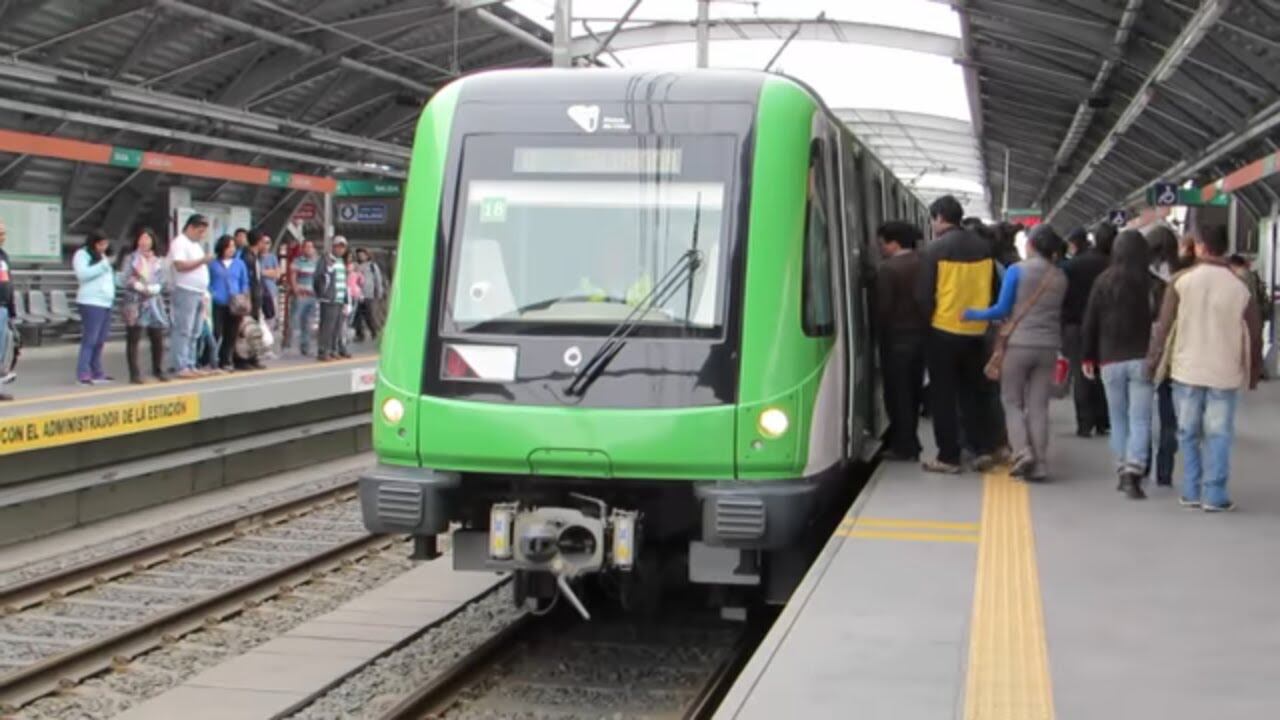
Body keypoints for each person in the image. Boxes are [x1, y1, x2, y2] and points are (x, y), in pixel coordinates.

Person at [1146, 225, 1263, 512]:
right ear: (1223, 249)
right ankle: (1215, 495)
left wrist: (1153, 362)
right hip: (1224, 370)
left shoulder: (1180, 282)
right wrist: (1255, 371)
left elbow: (1164, 328)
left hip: (1187, 369)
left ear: (1198, 247)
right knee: (1219, 434)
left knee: (1186, 432)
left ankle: (1190, 490)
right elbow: (1255, 332)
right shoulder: (1239, 286)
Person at [963, 225, 1068, 482]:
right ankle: (1041, 464)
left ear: (1031, 246)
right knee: (1038, 406)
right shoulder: (1060, 277)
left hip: (1019, 346)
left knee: (1011, 401)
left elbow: (1000, 310)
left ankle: (1022, 452)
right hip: (1048, 348)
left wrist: (971, 314)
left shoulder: (1016, 271)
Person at [915, 195, 999, 474]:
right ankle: (981, 450)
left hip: (943, 332)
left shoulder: (934, 250)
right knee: (973, 394)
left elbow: (924, 296)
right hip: (976, 332)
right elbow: (994, 290)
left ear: (939, 217)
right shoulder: (985, 248)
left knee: (943, 397)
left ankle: (948, 456)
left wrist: (926, 326)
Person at [1082, 231, 1156, 499]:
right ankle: (1133, 470)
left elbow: (1090, 322)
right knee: (1140, 419)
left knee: (1118, 417)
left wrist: (1088, 357)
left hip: (1110, 359)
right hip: (1141, 359)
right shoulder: (1151, 283)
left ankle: (1121, 467)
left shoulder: (1103, 282)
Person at [875, 221, 927, 461]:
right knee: (913, 393)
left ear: (894, 244)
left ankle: (904, 446)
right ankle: (910, 440)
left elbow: (882, 310)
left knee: (897, 395)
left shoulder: (887, 270)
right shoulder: (925, 263)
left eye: (882, 243)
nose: (880, 248)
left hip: (896, 341)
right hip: (921, 339)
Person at [1060, 224, 1111, 436]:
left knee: (1081, 374)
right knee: (1100, 372)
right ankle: (1102, 421)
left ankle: (1084, 423)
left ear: (1073, 244)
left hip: (1075, 325)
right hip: (1102, 325)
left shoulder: (1071, 267)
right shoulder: (1108, 264)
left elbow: (1063, 298)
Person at [1145, 224, 1184, 486]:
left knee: (1142, 413)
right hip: (1174, 351)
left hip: (1144, 349)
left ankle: (1142, 463)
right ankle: (1165, 471)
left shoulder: (1140, 275)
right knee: (1169, 415)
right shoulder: (1183, 274)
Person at [117, 228, 168, 384]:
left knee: (157, 337)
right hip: (135, 301)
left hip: (153, 301)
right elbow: (124, 277)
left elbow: (163, 279)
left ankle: (158, 369)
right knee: (133, 337)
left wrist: (156, 288)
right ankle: (134, 373)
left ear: (153, 241)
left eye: (147, 238)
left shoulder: (158, 260)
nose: (144, 241)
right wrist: (136, 284)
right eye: (142, 238)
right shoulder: (131, 258)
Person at [168, 214, 211, 379]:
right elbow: (179, 265)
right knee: (183, 329)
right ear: (191, 227)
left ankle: (191, 363)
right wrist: (202, 261)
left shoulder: (195, 245)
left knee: (195, 331)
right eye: (200, 231)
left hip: (199, 292)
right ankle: (180, 365)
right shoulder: (180, 243)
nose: (202, 235)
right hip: (185, 290)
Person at [72, 231, 116, 385]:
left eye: (105, 243)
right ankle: (83, 372)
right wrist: (103, 265)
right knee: (90, 339)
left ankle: (97, 371)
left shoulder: (103, 257)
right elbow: (83, 275)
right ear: (93, 243)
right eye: (100, 244)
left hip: (105, 302)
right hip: (91, 301)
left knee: (100, 340)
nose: (103, 247)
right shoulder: (82, 254)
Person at [208, 234, 250, 371]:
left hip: (235, 303)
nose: (231, 249)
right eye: (228, 246)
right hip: (218, 302)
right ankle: (210, 358)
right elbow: (207, 281)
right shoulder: (213, 264)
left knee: (231, 333)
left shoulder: (239, 263)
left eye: (233, 246)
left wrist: (244, 295)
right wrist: (212, 293)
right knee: (216, 332)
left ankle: (226, 359)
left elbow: (244, 281)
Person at [314, 236, 350, 361]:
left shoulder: (340, 261)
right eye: (338, 246)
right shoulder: (326, 260)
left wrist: (345, 300)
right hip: (329, 299)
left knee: (336, 327)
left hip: (339, 299)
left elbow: (343, 282)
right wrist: (322, 293)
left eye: (343, 247)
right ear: (333, 247)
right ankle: (323, 351)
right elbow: (318, 277)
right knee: (327, 327)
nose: (340, 249)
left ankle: (333, 350)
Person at [289, 239, 319, 356]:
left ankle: (305, 346)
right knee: (296, 320)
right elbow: (293, 276)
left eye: (311, 247)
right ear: (302, 249)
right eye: (306, 247)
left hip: (313, 295)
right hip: (301, 295)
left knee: (308, 322)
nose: (309, 249)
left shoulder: (317, 262)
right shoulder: (298, 261)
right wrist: (296, 289)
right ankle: (291, 345)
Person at [352, 248, 384, 342]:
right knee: (357, 316)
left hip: (369, 294)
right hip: (357, 295)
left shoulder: (372, 266)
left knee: (370, 315)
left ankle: (374, 332)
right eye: (359, 255)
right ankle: (359, 334)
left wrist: (379, 292)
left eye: (363, 254)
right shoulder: (355, 266)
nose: (361, 256)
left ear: (367, 255)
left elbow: (378, 280)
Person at [0, 219, 15, 398]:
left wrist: (12, 309)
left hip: (3, 308)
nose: (2, 237)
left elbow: (8, 283)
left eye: (4, 234)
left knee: (1, 351)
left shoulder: (4, 256)